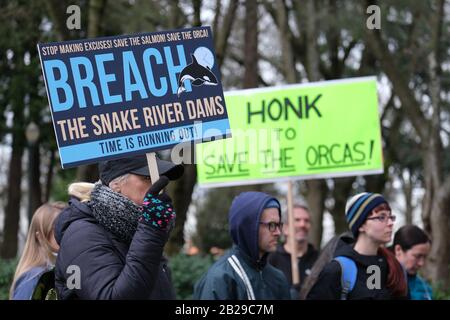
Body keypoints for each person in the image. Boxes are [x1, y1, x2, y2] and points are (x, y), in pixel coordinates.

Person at [54, 155, 183, 299]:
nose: (158, 185)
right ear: (116, 185)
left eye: (159, 177)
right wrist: (151, 230)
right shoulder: (82, 235)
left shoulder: (135, 229)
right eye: (147, 177)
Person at [306, 192, 408, 300]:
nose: (390, 223)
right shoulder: (338, 270)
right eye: (381, 217)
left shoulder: (392, 267)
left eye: (391, 217)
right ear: (361, 225)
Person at [193, 191, 291, 300]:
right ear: (249, 227)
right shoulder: (221, 278)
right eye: (271, 225)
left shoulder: (278, 278)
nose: (278, 232)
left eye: (279, 225)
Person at [10, 202, 66, 300]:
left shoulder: (60, 271)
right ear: (39, 236)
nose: (65, 234)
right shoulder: (33, 278)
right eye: (58, 228)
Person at [268, 204, 318, 298]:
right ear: (285, 228)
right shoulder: (271, 260)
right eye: (297, 220)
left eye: (306, 221)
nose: (302, 224)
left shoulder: (319, 259)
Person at [393, 225, 433, 300]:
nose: (421, 263)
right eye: (417, 256)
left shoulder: (425, 289)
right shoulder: (380, 282)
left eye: (424, 257)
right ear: (398, 250)